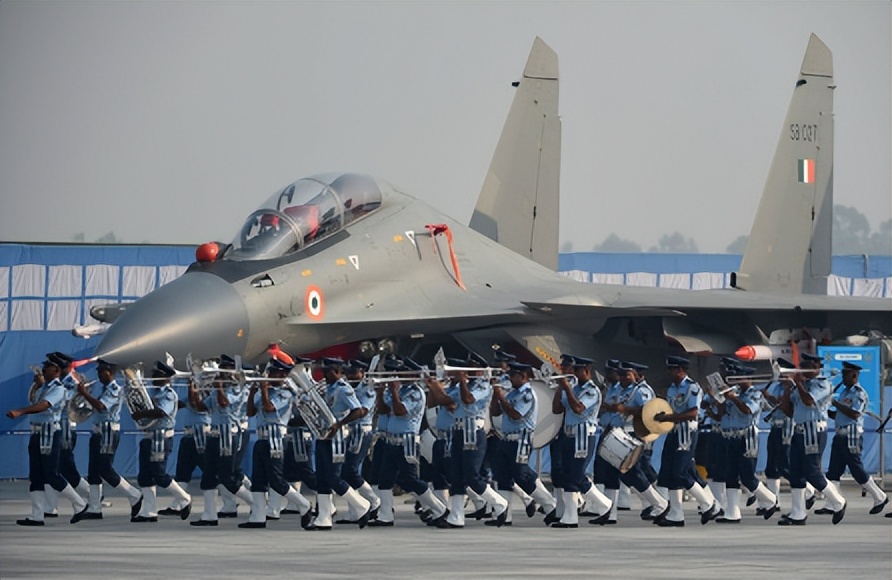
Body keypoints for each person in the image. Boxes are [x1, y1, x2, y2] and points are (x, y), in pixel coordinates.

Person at [426, 357, 508, 528]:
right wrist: (433, 386)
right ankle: (456, 517)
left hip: (473, 432)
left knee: (472, 475)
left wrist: (462, 383)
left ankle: (499, 503)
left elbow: (469, 399)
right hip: (458, 431)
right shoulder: (458, 386)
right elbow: (447, 401)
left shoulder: (482, 385)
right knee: (457, 476)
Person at [6, 355, 89, 525]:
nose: (43, 370)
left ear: (57, 370)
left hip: (49, 433)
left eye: (48, 367)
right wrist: (36, 384)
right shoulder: (44, 387)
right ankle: (37, 515)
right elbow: (33, 399)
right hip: (37, 433)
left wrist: (21, 412)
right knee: (36, 475)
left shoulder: (59, 388)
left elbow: (44, 405)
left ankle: (80, 504)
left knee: (52, 474)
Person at [368, 358, 448, 527]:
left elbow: (400, 411)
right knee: (385, 478)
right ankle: (385, 515)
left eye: (403, 372)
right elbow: (384, 411)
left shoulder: (415, 392)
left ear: (412, 374)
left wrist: (395, 392)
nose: (398, 375)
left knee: (410, 478)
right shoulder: (397, 390)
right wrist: (381, 394)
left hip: (407, 442)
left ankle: (439, 508)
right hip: (391, 440)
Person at [239, 356, 313, 529]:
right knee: (258, 480)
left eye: (273, 372)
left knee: (277, 480)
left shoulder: (286, 393)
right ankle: (258, 516)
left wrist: (264, 390)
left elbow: (269, 408)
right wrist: (252, 392)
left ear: (282, 374)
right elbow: (250, 413)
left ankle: (304, 504)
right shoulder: (267, 391)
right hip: (262, 438)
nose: (269, 375)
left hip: (276, 439)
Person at [777, 353, 847, 526]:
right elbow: (789, 411)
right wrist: (788, 389)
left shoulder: (823, 384)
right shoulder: (801, 385)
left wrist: (799, 383)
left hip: (813, 431)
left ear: (816, 366)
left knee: (812, 471)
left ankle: (838, 501)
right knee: (796, 473)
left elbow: (809, 401)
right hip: (799, 430)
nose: (801, 368)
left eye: (805, 365)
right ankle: (798, 513)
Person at [595, 361, 668, 525]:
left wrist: (624, 410)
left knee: (632, 473)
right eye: (621, 375)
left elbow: (648, 411)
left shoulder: (640, 391)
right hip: (613, 433)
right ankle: (609, 512)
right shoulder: (618, 389)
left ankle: (660, 502)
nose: (622, 378)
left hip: (631, 434)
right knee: (610, 474)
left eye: (627, 375)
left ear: (635, 376)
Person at [654, 356, 720, 527]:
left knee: (679, 472)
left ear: (681, 369)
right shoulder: (672, 389)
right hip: (673, 431)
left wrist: (668, 417)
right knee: (669, 473)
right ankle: (676, 513)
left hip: (686, 432)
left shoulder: (692, 387)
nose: (671, 372)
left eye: (673, 369)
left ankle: (708, 504)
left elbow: (692, 413)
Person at [490, 361, 557, 526]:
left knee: (522, 474)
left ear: (523, 376)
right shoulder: (512, 394)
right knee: (502, 475)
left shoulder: (527, 394)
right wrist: (496, 396)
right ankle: (504, 514)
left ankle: (550, 504)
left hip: (521, 438)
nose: (510, 379)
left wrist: (501, 397)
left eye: (513, 376)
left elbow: (516, 415)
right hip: (507, 438)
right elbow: (496, 412)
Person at [309, 358, 372, 530]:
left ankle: (361, 505)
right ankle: (323, 517)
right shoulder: (327, 388)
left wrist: (339, 424)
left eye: (327, 372)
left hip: (335, 439)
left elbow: (358, 410)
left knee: (333, 477)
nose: (324, 376)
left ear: (337, 372)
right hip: (323, 436)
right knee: (321, 478)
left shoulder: (344, 390)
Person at [711, 360, 778, 523]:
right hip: (730, 436)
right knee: (731, 475)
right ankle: (732, 512)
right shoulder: (734, 393)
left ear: (748, 378)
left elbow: (747, 411)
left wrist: (733, 398)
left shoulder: (755, 394)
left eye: (739, 377)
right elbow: (720, 415)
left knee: (747, 476)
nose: (736, 381)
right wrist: (720, 397)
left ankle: (770, 499)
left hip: (746, 438)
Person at [817, 362, 888, 516]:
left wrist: (834, 403)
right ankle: (832, 503)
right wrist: (824, 408)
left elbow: (855, 414)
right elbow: (838, 415)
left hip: (852, 435)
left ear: (854, 375)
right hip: (839, 433)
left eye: (846, 375)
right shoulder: (844, 393)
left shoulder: (859, 393)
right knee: (834, 470)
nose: (843, 378)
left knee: (856, 468)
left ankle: (879, 496)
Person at [191, 356, 254, 526]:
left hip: (229, 436)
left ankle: (255, 502)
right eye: (221, 369)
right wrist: (195, 389)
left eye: (225, 370)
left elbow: (224, 404)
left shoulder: (239, 390)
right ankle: (209, 515)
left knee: (227, 476)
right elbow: (202, 407)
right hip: (214, 435)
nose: (221, 373)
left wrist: (218, 387)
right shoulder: (218, 390)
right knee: (208, 476)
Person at [551, 355, 613, 528]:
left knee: (575, 475)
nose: (574, 373)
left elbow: (578, 409)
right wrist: (559, 389)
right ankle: (603, 504)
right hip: (569, 435)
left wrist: (567, 389)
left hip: (583, 436)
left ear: (587, 371)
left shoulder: (591, 390)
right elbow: (557, 409)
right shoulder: (574, 388)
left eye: (577, 370)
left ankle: (571, 517)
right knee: (567, 474)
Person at [76, 360, 143, 519]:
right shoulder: (105, 389)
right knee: (93, 470)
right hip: (98, 431)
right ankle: (94, 507)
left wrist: (85, 393)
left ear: (110, 372)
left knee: (105, 469)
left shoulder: (114, 389)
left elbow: (101, 407)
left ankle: (134, 494)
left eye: (102, 372)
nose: (99, 375)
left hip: (108, 432)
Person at [130, 362, 193, 523]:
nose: (152, 378)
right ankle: (149, 511)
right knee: (145, 475)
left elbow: (161, 412)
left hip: (161, 437)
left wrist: (140, 413)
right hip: (148, 435)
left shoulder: (169, 394)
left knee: (159, 473)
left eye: (156, 375)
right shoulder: (156, 393)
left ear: (165, 378)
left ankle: (184, 498)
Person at [159, 364, 211, 518]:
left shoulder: (208, 393)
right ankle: (177, 504)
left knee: (211, 472)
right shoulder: (192, 393)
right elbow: (180, 404)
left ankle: (232, 501)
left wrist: (191, 386)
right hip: (188, 435)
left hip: (202, 435)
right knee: (182, 472)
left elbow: (195, 404)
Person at [336, 359, 380, 524]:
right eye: (349, 373)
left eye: (354, 373)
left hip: (361, 431)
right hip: (350, 432)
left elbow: (362, 411)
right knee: (346, 471)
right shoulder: (346, 389)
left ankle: (374, 501)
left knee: (351, 469)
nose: (351, 376)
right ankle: (354, 511)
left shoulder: (367, 390)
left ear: (362, 373)